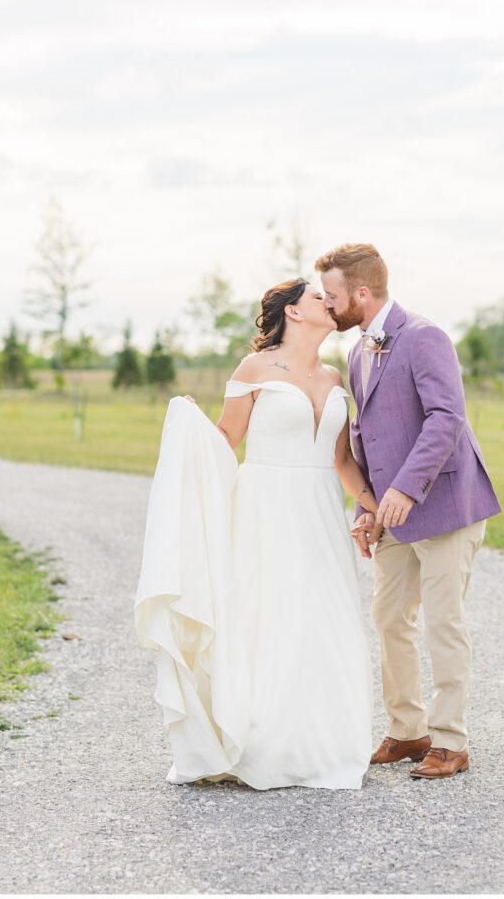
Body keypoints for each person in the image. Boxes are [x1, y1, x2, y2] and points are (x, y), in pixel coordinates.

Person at [134, 278, 377, 790]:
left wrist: (371, 505)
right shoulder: (255, 370)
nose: (329, 303)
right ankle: (261, 741)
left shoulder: (336, 377)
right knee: (267, 618)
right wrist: (186, 430)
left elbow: (341, 459)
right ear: (292, 312)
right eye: (318, 298)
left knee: (324, 617)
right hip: (265, 505)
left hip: (319, 510)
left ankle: (321, 742)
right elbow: (226, 438)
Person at [316, 243, 502, 780]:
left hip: (444, 503)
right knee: (390, 618)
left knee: (444, 623)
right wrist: (366, 508)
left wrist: (406, 488)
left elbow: (447, 418)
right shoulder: (356, 352)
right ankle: (406, 730)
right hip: (392, 513)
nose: (327, 305)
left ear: (362, 293)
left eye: (332, 296)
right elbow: (363, 435)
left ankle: (450, 742)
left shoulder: (424, 337)